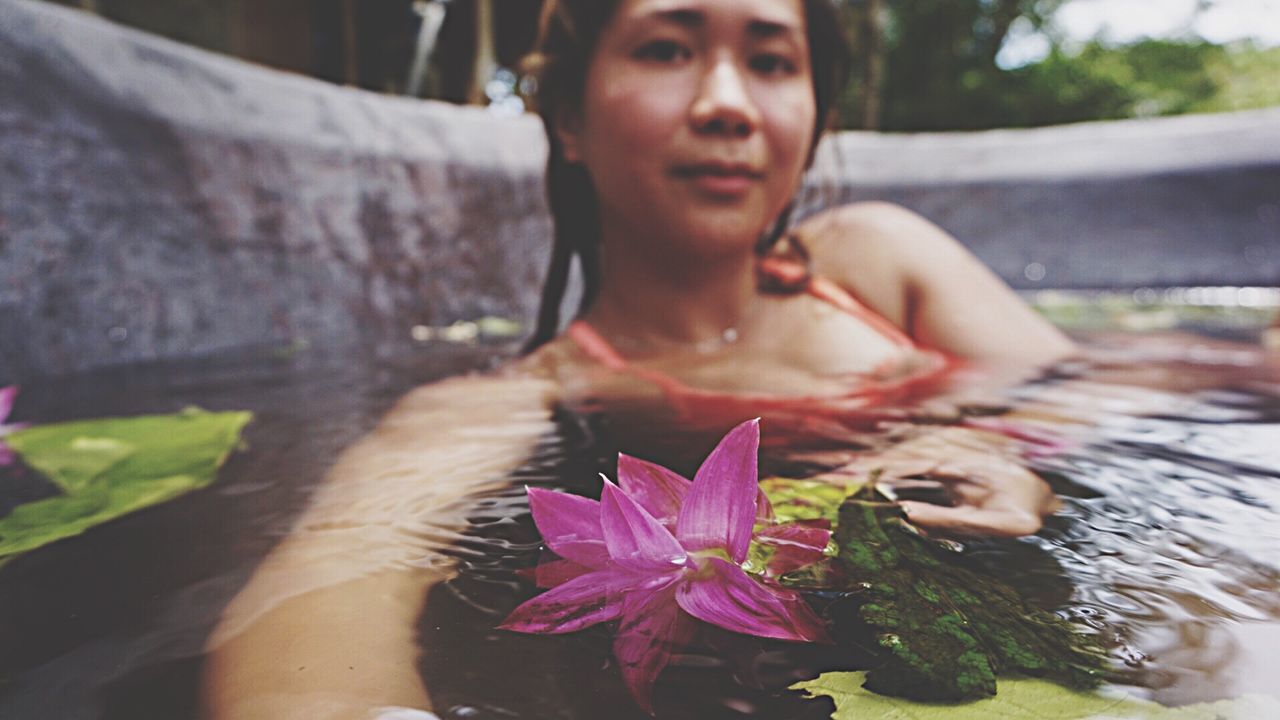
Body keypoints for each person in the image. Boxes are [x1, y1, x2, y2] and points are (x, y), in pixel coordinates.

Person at [202, 1, 1074, 717]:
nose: (727, 102)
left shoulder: (882, 263)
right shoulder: (509, 401)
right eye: (666, 48)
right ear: (572, 119)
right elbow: (330, 580)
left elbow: (1107, 387)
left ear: (815, 118)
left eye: (772, 61)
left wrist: (1003, 446)